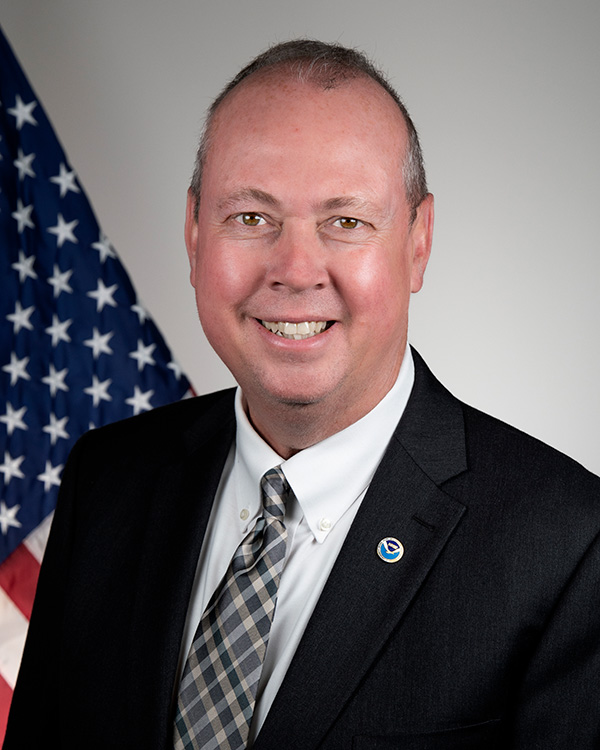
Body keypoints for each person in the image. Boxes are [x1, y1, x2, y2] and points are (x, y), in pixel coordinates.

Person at [5, 40, 600, 750]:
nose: (294, 269)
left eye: (344, 221)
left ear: (418, 241)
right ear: (195, 233)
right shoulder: (106, 478)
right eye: (251, 218)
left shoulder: (565, 546)